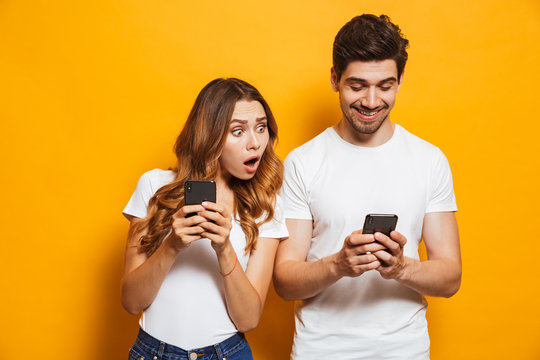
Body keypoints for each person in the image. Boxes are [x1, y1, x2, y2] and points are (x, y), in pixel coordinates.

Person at [274, 14, 462, 359]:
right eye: (357, 86)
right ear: (335, 79)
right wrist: (339, 265)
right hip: (321, 350)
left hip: (404, 350)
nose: (372, 101)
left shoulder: (429, 160)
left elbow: (450, 277)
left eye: (385, 86)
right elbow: (285, 282)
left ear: (400, 80)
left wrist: (403, 267)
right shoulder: (303, 162)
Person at [122, 78, 288, 360]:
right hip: (152, 353)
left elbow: (248, 319)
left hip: (227, 353)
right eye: (238, 131)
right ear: (209, 136)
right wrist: (173, 245)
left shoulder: (265, 205)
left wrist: (224, 248)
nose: (255, 143)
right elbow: (131, 301)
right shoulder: (154, 186)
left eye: (261, 128)